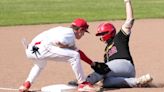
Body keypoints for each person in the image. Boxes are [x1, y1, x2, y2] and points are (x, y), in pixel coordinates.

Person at [69, 0, 153, 88]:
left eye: (101, 34)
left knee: (102, 70)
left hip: (125, 65)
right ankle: (138, 81)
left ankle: (85, 81)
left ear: (108, 33)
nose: (100, 37)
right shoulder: (106, 52)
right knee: (106, 82)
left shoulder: (119, 38)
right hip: (123, 73)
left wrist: (127, 2)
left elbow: (129, 21)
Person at [19, 18, 102, 92]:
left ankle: (26, 85)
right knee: (74, 56)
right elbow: (61, 41)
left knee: (40, 65)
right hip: (43, 48)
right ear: (80, 30)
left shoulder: (63, 30)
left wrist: (92, 63)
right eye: (84, 31)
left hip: (30, 49)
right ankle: (83, 84)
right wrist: (61, 45)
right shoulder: (70, 35)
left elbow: (78, 52)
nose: (83, 34)